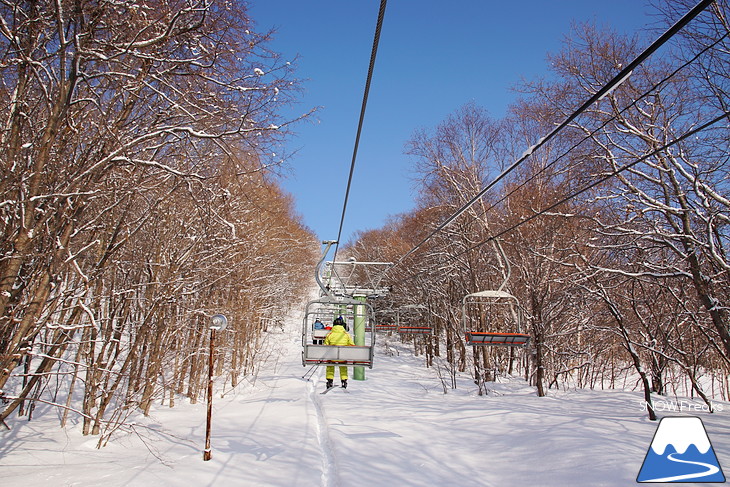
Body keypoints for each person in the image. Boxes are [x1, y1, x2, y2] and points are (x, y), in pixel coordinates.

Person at [324, 316, 354, 389]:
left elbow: (325, 346)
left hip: (332, 357)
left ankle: (330, 380)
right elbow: (352, 345)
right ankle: (344, 380)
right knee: (343, 366)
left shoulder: (329, 334)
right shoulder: (346, 335)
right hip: (343, 357)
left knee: (330, 365)